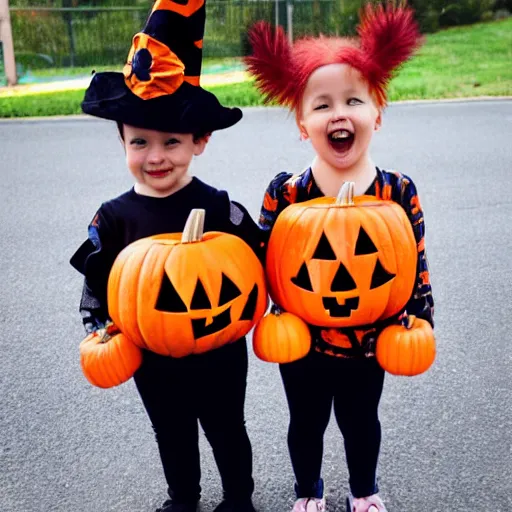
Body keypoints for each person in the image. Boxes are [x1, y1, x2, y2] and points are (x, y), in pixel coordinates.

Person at [70, 1, 260, 511]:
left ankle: (239, 498)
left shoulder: (219, 207)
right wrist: (98, 324)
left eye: (171, 142)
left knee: (226, 429)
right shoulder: (113, 217)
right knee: (171, 432)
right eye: (140, 142)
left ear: (200, 142)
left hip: (219, 350)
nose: (155, 156)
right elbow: (97, 274)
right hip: (151, 353)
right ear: (122, 142)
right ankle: (184, 499)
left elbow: (261, 255)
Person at [245, 3, 434, 512]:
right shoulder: (287, 194)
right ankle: (308, 491)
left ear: (378, 113)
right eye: (322, 105)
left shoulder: (396, 190)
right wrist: (271, 319)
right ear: (303, 124)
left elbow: (413, 259)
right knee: (304, 423)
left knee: (361, 421)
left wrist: (419, 318)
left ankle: (364, 490)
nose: (339, 114)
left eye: (354, 99)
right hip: (303, 341)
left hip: (371, 339)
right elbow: (267, 264)